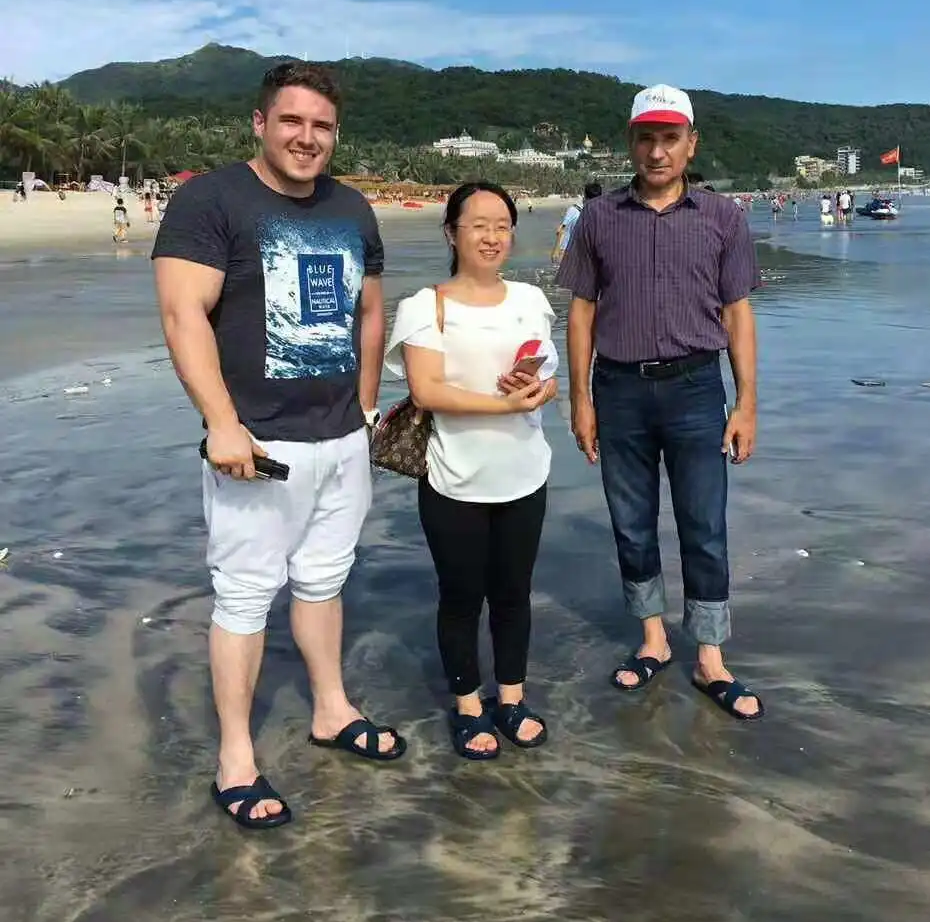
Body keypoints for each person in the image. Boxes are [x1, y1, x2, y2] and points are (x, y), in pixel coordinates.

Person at [152, 61, 404, 832]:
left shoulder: (352, 207)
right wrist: (221, 422)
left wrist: (366, 406)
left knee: (325, 581)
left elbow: (369, 310)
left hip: (342, 437)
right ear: (260, 123)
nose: (306, 137)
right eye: (291, 120)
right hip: (257, 443)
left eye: (321, 125)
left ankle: (331, 709)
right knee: (245, 594)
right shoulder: (211, 200)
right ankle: (235, 757)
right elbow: (182, 314)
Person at [556, 83, 764, 721]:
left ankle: (710, 656)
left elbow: (737, 313)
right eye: (646, 138)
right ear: (631, 142)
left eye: (670, 138)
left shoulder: (723, 218)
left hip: (697, 388)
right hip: (618, 389)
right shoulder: (598, 217)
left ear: (690, 144)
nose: (657, 151)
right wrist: (580, 399)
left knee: (704, 523)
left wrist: (747, 403)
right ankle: (652, 639)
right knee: (631, 520)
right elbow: (582, 312)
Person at [384, 182, 558, 759]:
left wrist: (537, 388)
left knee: (513, 594)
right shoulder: (425, 306)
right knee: (460, 597)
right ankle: (467, 706)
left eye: (502, 225)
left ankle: (511, 698)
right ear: (451, 233)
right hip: (453, 478)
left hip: (525, 472)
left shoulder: (530, 299)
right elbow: (427, 390)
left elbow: (549, 378)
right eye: (478, 225)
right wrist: (505, 405)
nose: (491, 236)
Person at [551, 181, 601, 265]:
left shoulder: (593, 212)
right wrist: (556, 251)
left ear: (585, 196)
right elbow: (561, 229)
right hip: (568, 251)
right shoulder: (575, 210)